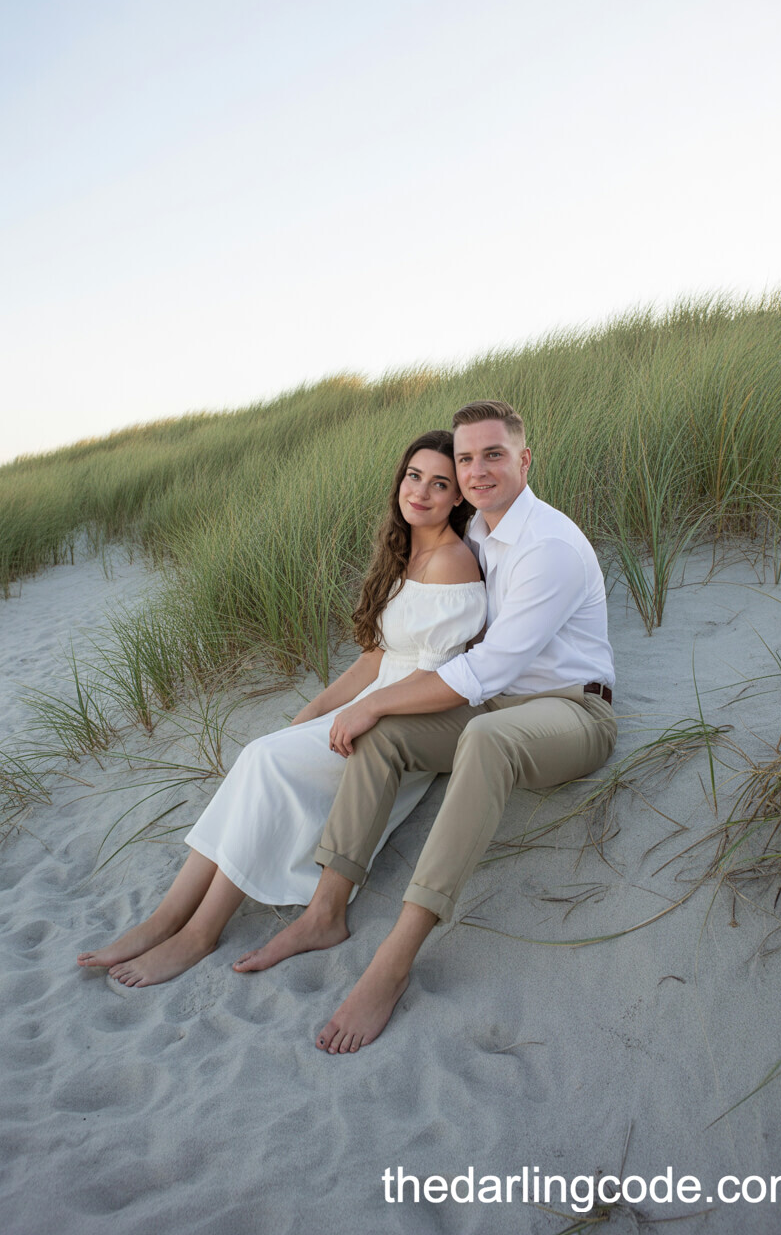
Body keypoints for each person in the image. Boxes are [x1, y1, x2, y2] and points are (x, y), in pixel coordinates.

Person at [234, 400, 617, 1053]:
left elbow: (489, 667)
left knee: (482, 740)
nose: (476, 470)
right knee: (384, 740)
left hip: (572, 712)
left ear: (524, 460)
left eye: (492, 454)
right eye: (465, 458)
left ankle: (396, 955)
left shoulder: (546, 545)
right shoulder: (480, 539)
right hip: (498, 705)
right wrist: (367, 705)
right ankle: (326, 911)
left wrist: (376, 700)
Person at [77, 431, 487, 986]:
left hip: (407, 717)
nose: (421, 492)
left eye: (440, 484)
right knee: (260, 755)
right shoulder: (404, 550)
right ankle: (165, 919)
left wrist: (366, 712)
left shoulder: (452, 564)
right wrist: (317, 707)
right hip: (376, 700)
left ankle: (198, 932)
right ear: (400, 480)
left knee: (264, 762)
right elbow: (375, 658)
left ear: (458, 497)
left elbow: (437, 676)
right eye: (414, 476)